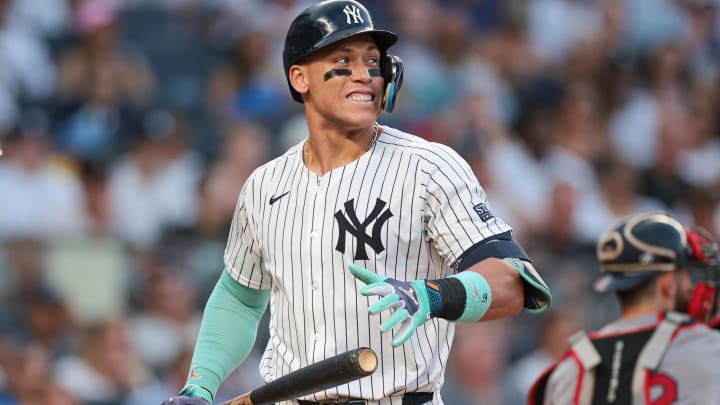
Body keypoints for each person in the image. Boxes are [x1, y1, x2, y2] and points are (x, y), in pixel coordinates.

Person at [162, 1, 551, 404]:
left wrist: (433, 294)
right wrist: (200, 385)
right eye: (343, 60)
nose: (364, 74)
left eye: (372, 61)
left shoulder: (428, 166)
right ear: (300, 78)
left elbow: (513, 281)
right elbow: (241, 296)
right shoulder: (265, 184)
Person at [529, 211, 720, 405]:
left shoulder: (569, 369)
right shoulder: (708, 348)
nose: (691, 285)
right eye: (687, 276)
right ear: (668, 284)